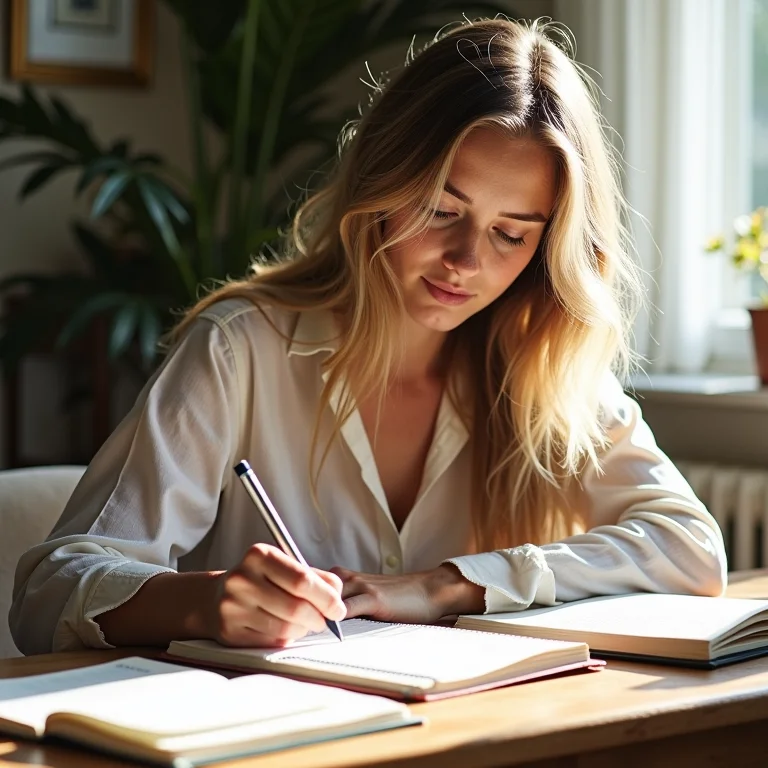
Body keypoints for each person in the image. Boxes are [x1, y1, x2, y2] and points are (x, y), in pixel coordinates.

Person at [11, 18, 726, 655]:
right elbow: (49, 589)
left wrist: (450, 586)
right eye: (441, 211)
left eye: (511, 234)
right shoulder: (241, 350)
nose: (467, 261)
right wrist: (209, 602)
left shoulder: (543, 364)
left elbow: (690, 547)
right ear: (381, 188)